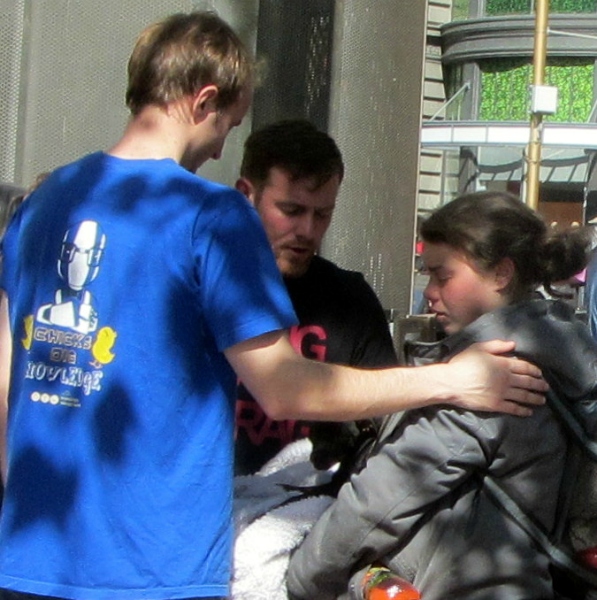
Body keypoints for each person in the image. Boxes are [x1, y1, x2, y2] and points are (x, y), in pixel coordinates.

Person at [0, 10, 547, 600]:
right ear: (204, 100)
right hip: (152, 568)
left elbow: (9, 376)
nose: (216, 154)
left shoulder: (42, 201)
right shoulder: (211, 216)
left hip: (28, 555)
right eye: (227, 127)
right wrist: (453, 380)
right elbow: (286, 389)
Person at [287, 190, 595, 600]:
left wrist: (302, 580)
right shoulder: (569, 353)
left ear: (501, 274)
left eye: (442, 275)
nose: (429, 291)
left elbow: (380, 501)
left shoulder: (486, 379)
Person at [234, 119, 398, 476]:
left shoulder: (350, 299)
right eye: (291, 211)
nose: (307, 231)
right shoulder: (202, 285)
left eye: (323, 214)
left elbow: (386, 422)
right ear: (246, 194)